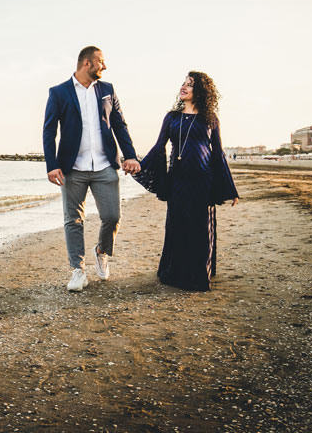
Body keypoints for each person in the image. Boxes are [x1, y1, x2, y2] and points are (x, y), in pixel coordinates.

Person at [43, 46, 141, 292]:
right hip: (72, 168)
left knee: (112, 216)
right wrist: (52, 165)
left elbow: (119, 124)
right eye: (101, 62)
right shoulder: (59, 92)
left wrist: (130, 155)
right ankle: (78, 270)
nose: (104, 66)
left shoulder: (107, 90)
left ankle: (102, 250)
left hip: (105, 165)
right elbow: (49, 130)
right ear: (86, 64)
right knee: (73, 220)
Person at [133, 71, 238, 291]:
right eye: (183, 83)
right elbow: (159, 146)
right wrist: (139, 165)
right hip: (178, 181)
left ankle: (199, 275)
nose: (184, 87)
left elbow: (218, 154)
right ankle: (174, 274)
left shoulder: (210, 119)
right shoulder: (171, 117)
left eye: (189, 84)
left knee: (201, 228)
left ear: (200, 91)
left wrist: (230, 188)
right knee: (177, 226)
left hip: (203, 181)